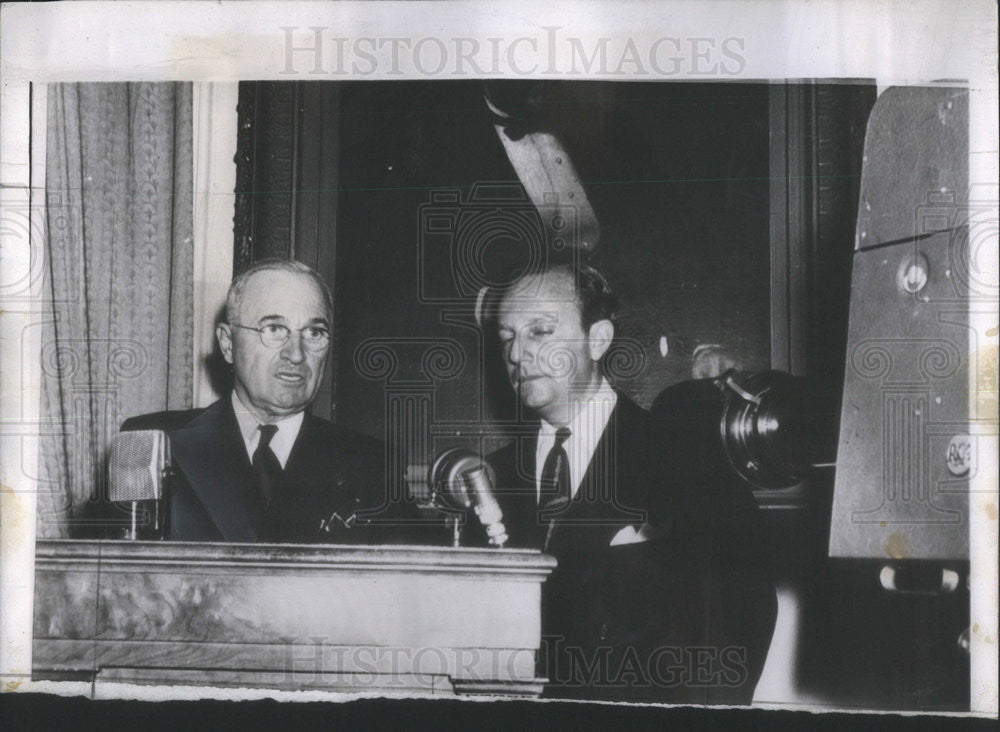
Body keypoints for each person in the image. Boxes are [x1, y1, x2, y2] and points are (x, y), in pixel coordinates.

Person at [480, 261, 777, 704]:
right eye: (507, 337)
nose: (517, 354)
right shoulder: (488, 479)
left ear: (597, 339)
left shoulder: (686, 456)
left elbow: (742, 613)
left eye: (539, 331)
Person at [121, 259, 404, 543]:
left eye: (314, 333)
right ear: (228, 343)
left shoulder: (374, 466)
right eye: (274, 329)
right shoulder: (152, 444)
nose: (296, 354)